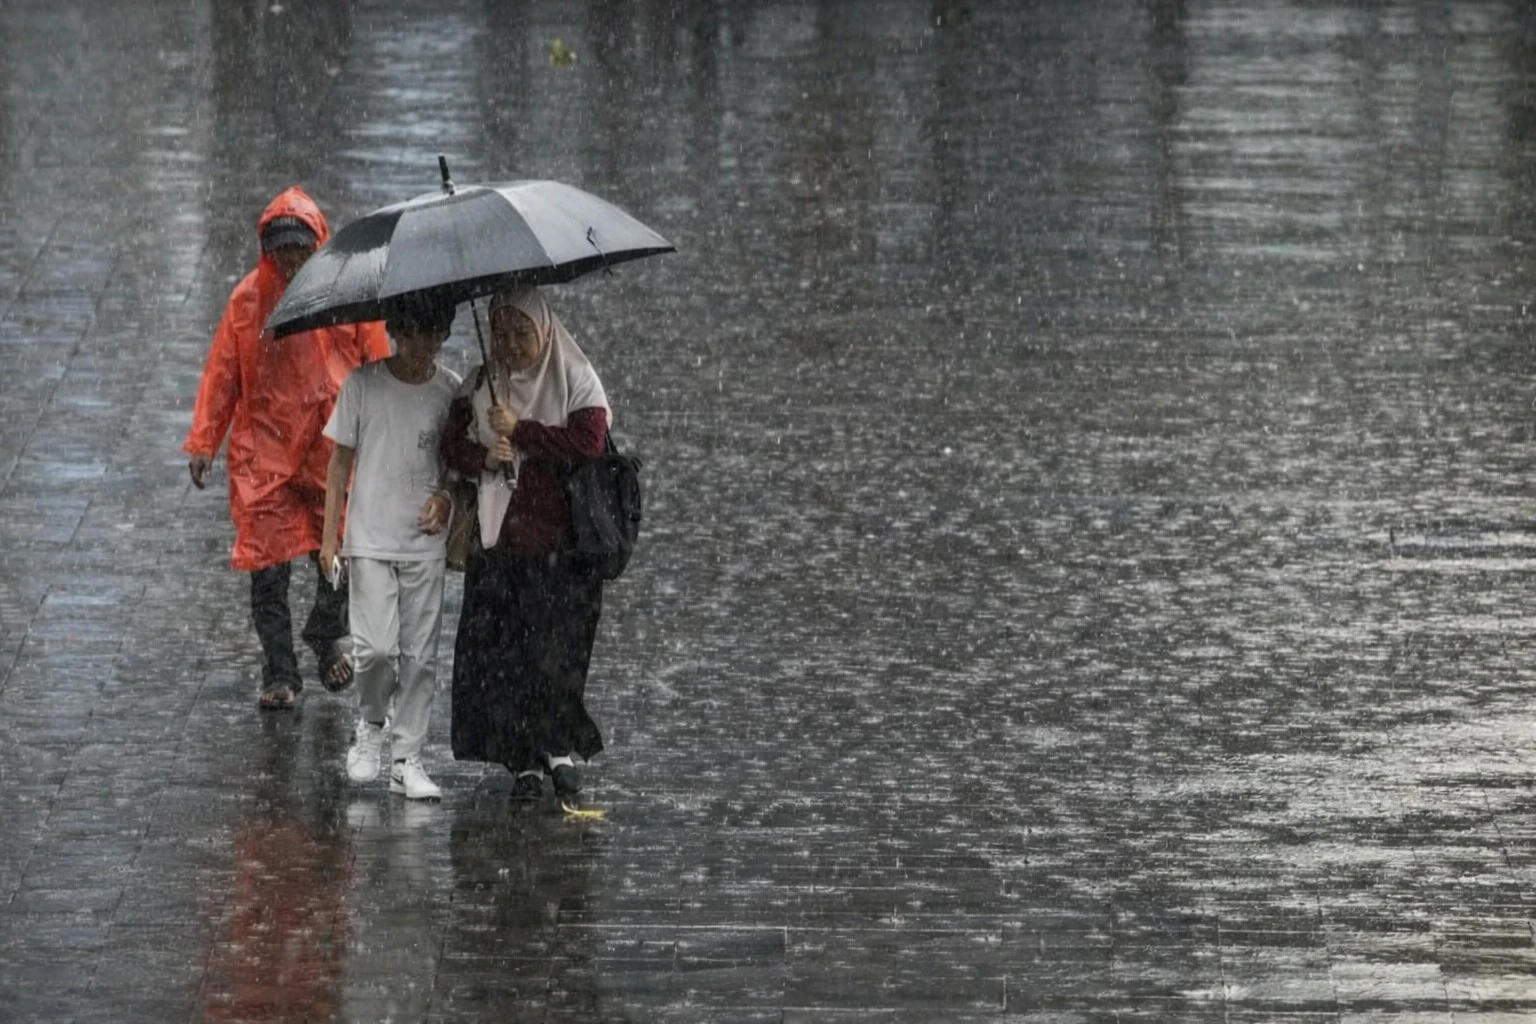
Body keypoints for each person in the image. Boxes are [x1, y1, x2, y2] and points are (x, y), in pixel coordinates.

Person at [184, 186, 391, 710]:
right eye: (283, 250)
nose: (292, 260)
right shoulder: (248, 302)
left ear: (317, 245)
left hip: (329, 446)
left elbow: (376, 360)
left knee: (338, 551)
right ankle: (280, 671)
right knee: (268, 567)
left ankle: (326, 635)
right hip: (266, 450)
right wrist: (205, 440)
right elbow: (223, 374)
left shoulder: (345, 296)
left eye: (300, 249)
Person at [438, 283, 610, 803]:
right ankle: (522, 760)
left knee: (556, 652)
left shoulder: (576, 378)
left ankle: (556, 747)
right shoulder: (481, 385)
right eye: (501, 333)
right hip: (500, 546)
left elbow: (589, 442)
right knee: (503, 655)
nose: (511, 344)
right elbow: (451, 447)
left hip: (564, 548)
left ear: (545, 330)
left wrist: (524, 431)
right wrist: (484, 457)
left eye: (522, 333)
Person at [320, 296, 461, 801]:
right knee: (375, 648)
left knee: (420, 655)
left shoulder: (451, 391)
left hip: (424, 540)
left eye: (437, 335)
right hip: (370, 536)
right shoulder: (362, 386)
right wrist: (329, 537)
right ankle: (371, 723)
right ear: (397, 332)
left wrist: (445, 496)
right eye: (418, 334)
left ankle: (408, 757)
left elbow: (459, 465)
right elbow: (339, 464)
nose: (427, 347)